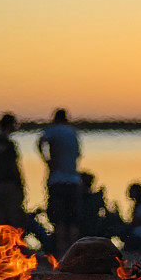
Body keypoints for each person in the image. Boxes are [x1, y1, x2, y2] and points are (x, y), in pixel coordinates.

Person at [37, 108, 81, 257]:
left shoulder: (53, 131)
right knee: (73, 219)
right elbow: (78, 155)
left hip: (57, 181)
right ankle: (73, 252)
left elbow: (40, 141)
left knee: (59, 219)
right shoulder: (73, 133)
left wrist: (46, 159)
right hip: (73, 181)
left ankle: (61, 251)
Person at [0, 113, 25, 229]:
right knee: (13, 218)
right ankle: (15, 245)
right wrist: (20, 183)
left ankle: (2, 244)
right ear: (10, 125)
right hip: (10, 185)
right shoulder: (9, 144)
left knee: (0, 218)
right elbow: (14, 165)